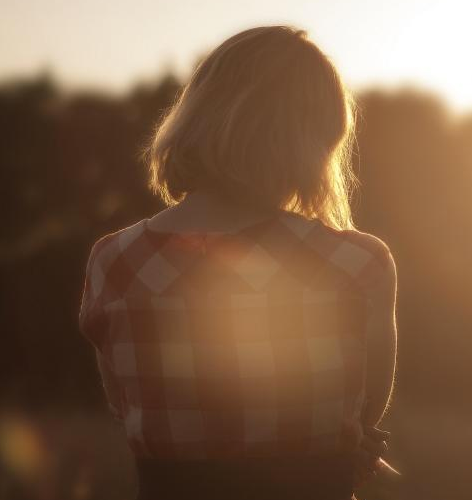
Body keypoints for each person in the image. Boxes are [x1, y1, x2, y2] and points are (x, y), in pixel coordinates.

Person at [79, 25, 398, 500]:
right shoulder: (356, 263)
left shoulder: (115, 262)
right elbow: (363, 412)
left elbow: (129, 408)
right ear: (315, 141)